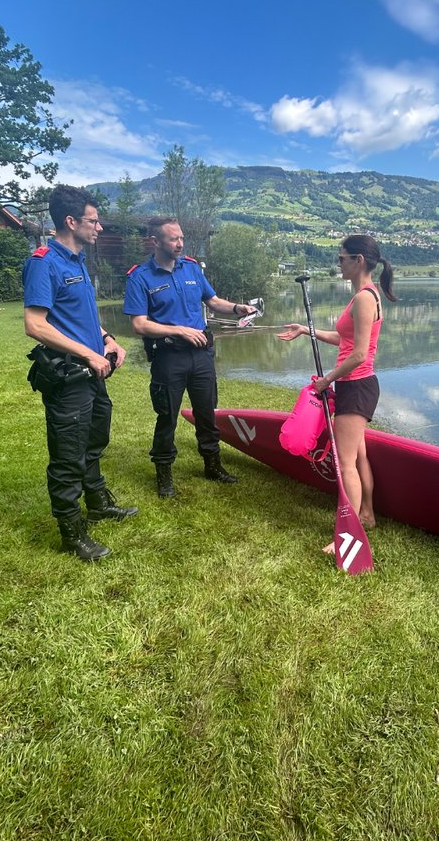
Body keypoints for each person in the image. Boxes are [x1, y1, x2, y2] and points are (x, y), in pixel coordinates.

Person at [22, 185, 137, 562]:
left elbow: (79, 316)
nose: (100, 227)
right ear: (70, 221)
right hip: (69, 375)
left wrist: (108, 339)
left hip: (93, 371)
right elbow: (35, 325)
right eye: (93, 220)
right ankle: (72, 533)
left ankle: (99, 503)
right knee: (68, 454)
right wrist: (90, 354)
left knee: (93, 441)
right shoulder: (44, 262)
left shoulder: (78, 261)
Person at [124, 217, 257, 497]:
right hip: (169, 356)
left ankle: (212, 465)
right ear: (156, 241)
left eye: (181, 237)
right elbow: (139, 324)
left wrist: (237, 308)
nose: (180, 243)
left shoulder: (192, 268)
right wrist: (179, 330)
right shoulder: (140, 276)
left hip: (201, 355)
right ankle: (164, 475)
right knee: (167, 417)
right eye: (173, 239)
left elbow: (213, 301)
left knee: (207, 413)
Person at [278, 234, 397, 537]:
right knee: (358, 455)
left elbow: (358, 354)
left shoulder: (363, 298)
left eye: (341, 258)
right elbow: (345, 340)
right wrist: (306, 330)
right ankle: (367, 514)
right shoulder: (367, 296)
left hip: (356, 387)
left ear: (358, 261)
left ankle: (349, 531)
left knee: (345, 464)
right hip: (356, 386)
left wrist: (326, 381)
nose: (338, 263)